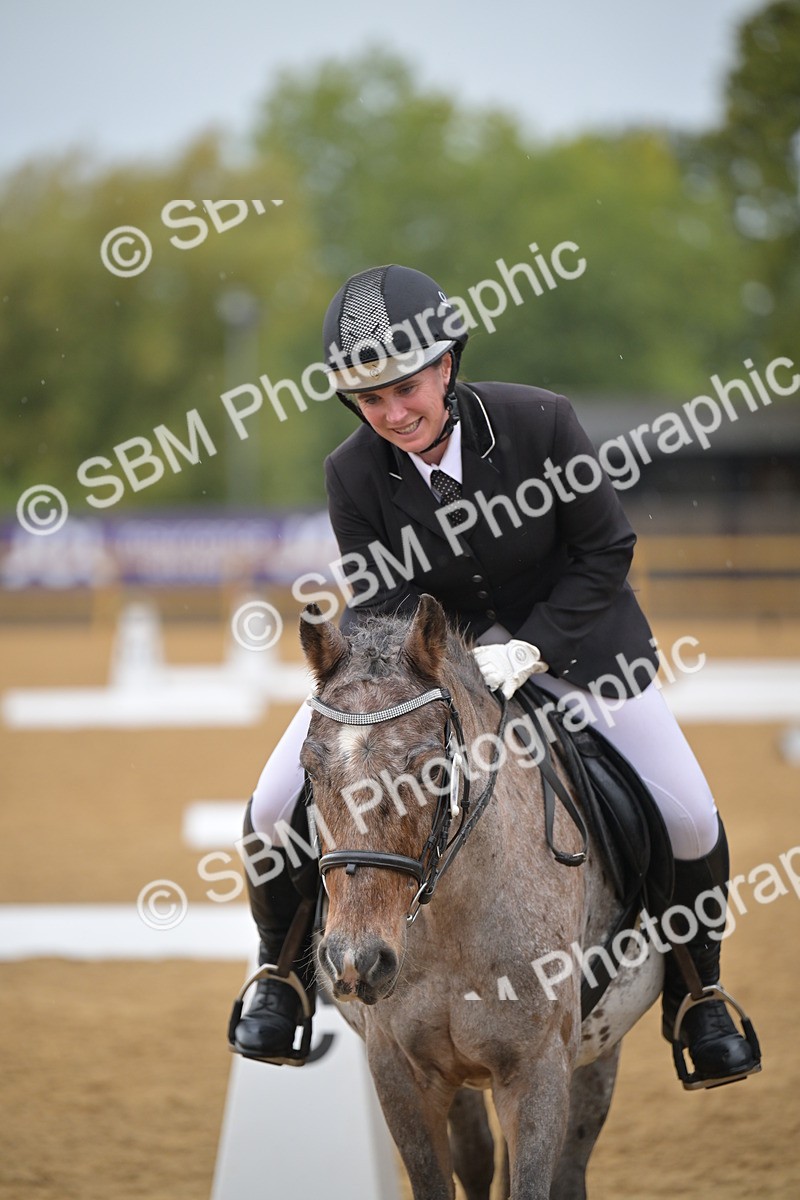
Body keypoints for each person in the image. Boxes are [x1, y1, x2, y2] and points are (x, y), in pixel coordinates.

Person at [231, 264, 759, 1088]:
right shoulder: (352, 474)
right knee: (271, 806)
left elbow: (604, 551)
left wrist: (533, 645)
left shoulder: (539, 423)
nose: (394, 415)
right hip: (438, 668)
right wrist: (443, 671)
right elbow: (382, 602)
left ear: (446, 363)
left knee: (688, 815)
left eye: (406, 388)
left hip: (583, 648)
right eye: (371, 402)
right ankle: (279, 977)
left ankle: (700, 998)